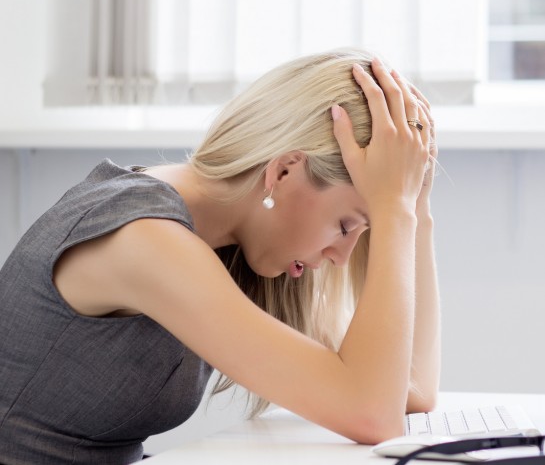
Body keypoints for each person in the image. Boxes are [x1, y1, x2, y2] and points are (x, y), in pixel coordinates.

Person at [0, 48, 441, 464]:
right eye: (346, 226)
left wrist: (415, 208)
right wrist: (393, 210)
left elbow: (411, 391)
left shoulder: (227, 244)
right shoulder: (145, 238)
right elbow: (373, 414)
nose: (342, 257)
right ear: (284, 171)